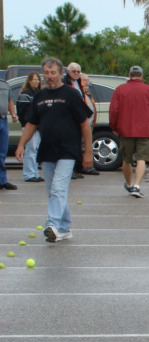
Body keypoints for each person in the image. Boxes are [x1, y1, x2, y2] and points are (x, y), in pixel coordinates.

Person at [15, 57, 93, 242]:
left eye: (53, 73)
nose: (49, 76)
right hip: (47, 150)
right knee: (53, 191)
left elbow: (84, 124)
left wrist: (88, 152)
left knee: (58, 188)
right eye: (46, 73)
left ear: (60, 73)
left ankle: (52, 224)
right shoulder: (39, 96)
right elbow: (31, 124)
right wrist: (21, 144)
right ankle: (64, 228)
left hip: (68, 150)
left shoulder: (71, 94)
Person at [109, 65, 149, 198]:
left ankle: (129, 184)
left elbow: (114, 110)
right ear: (141, 75)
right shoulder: (148, 90)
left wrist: (114, 127)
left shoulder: (120, 90)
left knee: (126, 159)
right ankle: (137, 186)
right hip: (144, 129)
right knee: (142, 159)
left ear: (129, 75)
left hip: (125, 129)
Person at [63, 62, 100, 176]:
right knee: (71, 145)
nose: (76, 73)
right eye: (74, 71)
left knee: (82, 144)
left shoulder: (79, 83)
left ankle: (80, 167)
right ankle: (71, 170)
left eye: (78, 71)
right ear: (68, 72)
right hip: (70, 120)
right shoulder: (65, 84)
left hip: (83, 119)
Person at [16, 72, 44, 182]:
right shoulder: (26, 94)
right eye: (34, 79)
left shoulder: (38, 93)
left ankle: (35, 173)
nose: (36, 81)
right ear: (29, 81)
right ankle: (29, 174)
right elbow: (22, 112)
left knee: (35, 150)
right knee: (30, 150)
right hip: (29, 126)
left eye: (38, 79)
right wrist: (28, 123)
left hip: (38, 127)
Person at [0, 78, 19, 190]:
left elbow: (9, 101)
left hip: (3, 119)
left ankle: (2, 180)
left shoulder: (4, 84)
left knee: (2, 152)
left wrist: (13, 114)